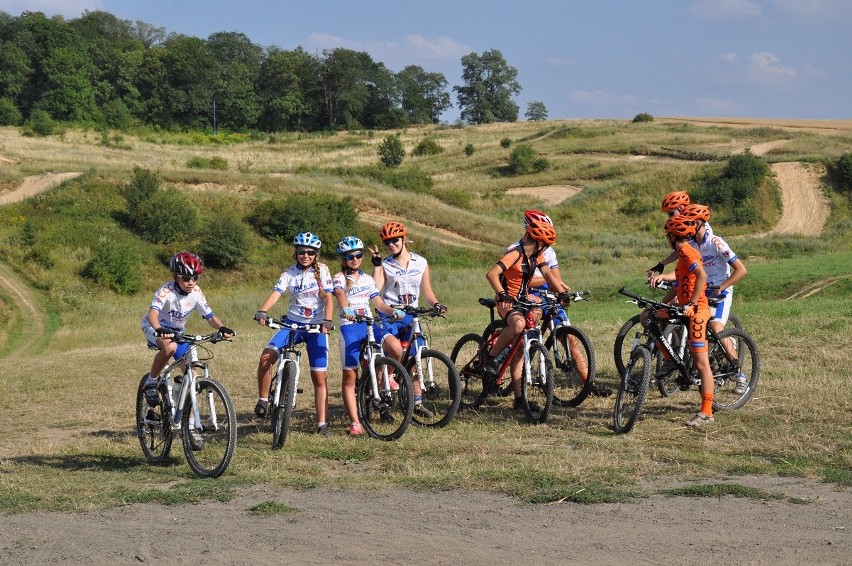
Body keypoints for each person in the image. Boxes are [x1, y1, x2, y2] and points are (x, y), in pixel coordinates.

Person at [508, 210, 611, 397]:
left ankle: (590, 384)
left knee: (570, 339)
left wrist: (561, 292)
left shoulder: (549, 251)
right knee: (523, 342)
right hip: (528, 298)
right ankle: (515, 380)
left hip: (549, 297)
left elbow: (556, 278)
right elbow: (519, 281)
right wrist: (547, 282)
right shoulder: (515, 249)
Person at [140, 251, 235, 449]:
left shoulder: (196, 293)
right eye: (185, 278)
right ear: (175, 276)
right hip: (155, 328)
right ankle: (151, 381)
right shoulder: (166, 291)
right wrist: (159, 330)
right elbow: (152, 314)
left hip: (178, 332)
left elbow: (209, 316)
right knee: (170, 347)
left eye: (194, 278)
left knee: (191, 374)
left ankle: (190, 427)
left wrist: (221, 328)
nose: (190, 282)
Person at [650, 203, 749, 393]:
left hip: (721, 291)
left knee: (716, 327)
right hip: (701, 290)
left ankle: (740, 375)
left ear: (700, 223)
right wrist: (662, 273)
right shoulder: (692, 244)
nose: (688, 225)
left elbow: (741, 270)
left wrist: (721, 287)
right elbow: (681, 270)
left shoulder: (716, 243)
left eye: (692, 222)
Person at [253, 232, 335, 436]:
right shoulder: (289, 273)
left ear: (316, 254)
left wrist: (328, 319)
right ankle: (263, 400)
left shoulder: (322, 270)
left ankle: (322, 424)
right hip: (292, 325)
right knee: (266, 357)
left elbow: (327, 297)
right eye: (301, 252)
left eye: (309, 252)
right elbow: (276, 294)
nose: (305, 256)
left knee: (320, 377)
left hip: (316, 327)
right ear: (296, 253)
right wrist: (263, 311)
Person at [482, 212, 564, 411]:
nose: (545, 247)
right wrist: (501, 294)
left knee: (520, 347)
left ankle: (519, 400)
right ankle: (490, 358)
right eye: (543, 243)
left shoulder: (538, 256)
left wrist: (562, 292)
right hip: (506, 298)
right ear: (535, 239)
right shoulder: (515, 254)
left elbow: (548, 275)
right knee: (518, 324)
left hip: (522, 298)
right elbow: (492, 274)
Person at [368, 221, 447, 419]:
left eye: (395, 240)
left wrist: (436, 304)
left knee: (415, 359)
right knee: (392, 352)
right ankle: (381, 394)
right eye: (387, 242)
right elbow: (375, 291)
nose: (391, 244)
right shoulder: (385, 264)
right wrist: (377, 266)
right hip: (389, 316)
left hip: (411, 315)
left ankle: (417, 403)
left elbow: (426, 290)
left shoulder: (420, 262)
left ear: (404, 239)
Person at [332, 236, 405, 436]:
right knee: (349, 376)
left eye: (358, 255)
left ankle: (388, 377)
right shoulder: (338, 278)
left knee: (396, 348)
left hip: (370, 323)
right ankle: (355, 422)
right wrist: (347, 310)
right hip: (350, 326)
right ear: (343, 258)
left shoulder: (367, 279)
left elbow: (379, 304)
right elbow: (340, 296)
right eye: (350, 256)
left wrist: (393, 311)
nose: (355, 259)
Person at [656, 215, 716, 427]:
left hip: (697, 310)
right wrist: (661, 304)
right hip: (684, 307)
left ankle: (707, 411)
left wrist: (691, 304)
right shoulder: (682, 254)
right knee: (651, 318)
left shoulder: (687, 252)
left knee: (701, 364)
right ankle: (671, 360)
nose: (667, 239)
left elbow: (702, 276)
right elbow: (679, 281)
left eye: (668, 236)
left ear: (673, 237)